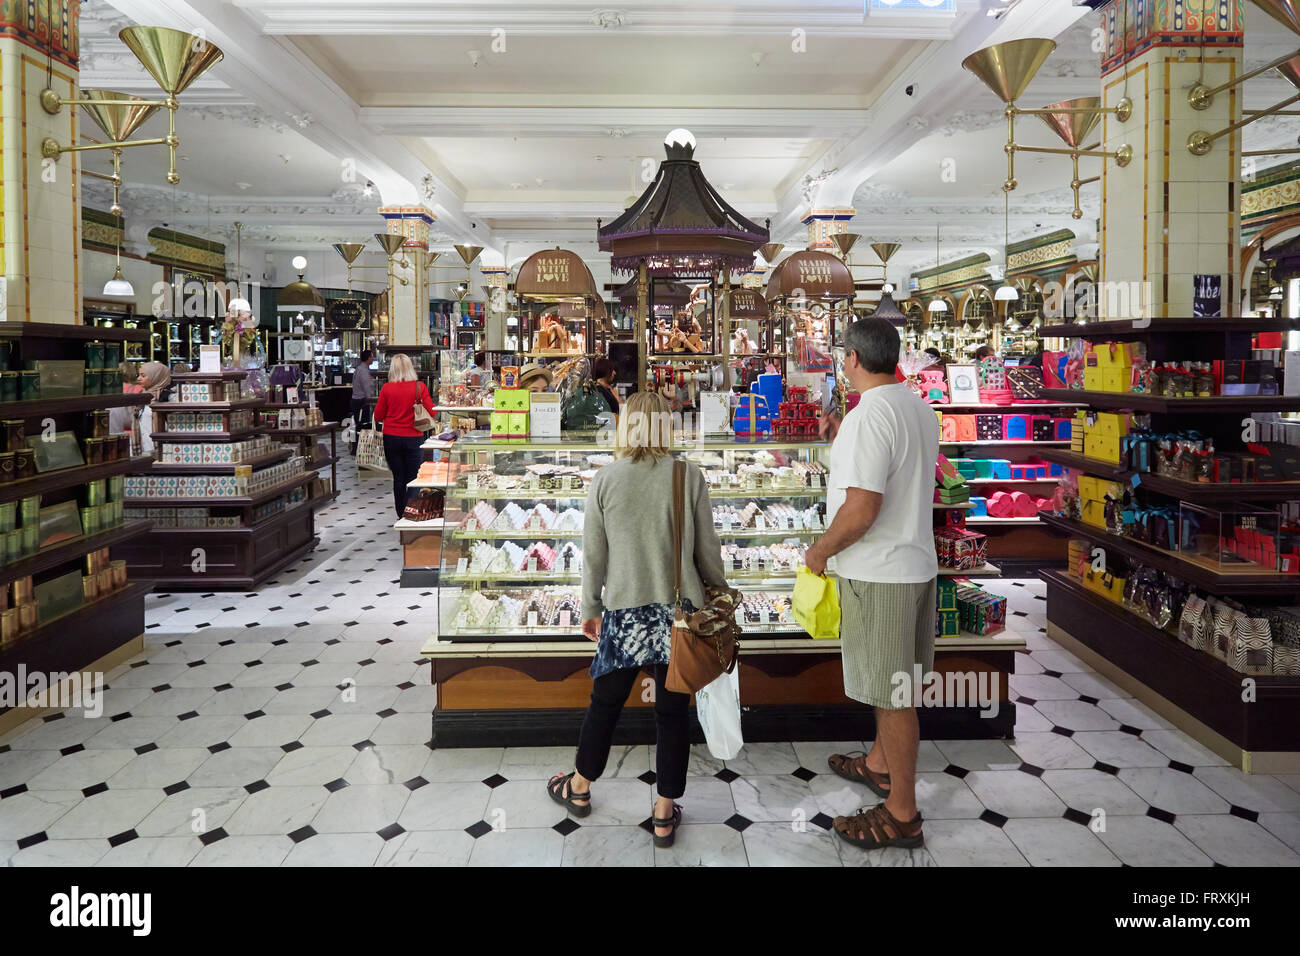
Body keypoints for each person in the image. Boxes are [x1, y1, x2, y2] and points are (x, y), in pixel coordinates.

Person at [547, 391, 728, 849]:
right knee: (672, 713)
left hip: (624, 611)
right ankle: (664, 813)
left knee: (604, 703)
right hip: (680, 616)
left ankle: (581, 787)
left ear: (626, 426)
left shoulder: (606, 479)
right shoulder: (688, 477)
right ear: (666, 426)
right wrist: (719, 594)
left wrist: (590, 608)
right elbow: (708, 552)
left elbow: (594, 556)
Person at [803, 317, 938, 853]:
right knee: (897, 684)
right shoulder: (917, 408)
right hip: (915, 565)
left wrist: (818, 551)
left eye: (843, 355)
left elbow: (861, 510)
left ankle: (902, 812)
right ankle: (880, 764)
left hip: (880, 573)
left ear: (853, 359)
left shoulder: (868, 417)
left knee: (893, 695)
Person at [373, 353, 436, 519]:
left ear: (392, 369)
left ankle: (401, 514)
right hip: (414, 437)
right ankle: (411, 511)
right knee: (414, 478)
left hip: (391, 438)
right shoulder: (419, 387)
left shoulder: (387, 388)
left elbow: (378, 415)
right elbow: (432, 411)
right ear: (410, 368)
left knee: (398, 478)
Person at [109, 361, 173, 455]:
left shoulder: (167, 398)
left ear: (155, 376)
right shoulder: (142, 396)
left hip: (161, 452)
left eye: (143, 376)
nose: (138, 379)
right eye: (138, 375)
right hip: (142, 451)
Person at [349, 349, 375, 455]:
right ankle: (360, 448)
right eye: (372, 356)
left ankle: (357, 448)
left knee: (358, 425)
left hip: (356, 400)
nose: (373, 358)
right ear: (368, 358)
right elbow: (367, 387)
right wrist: (371, 400)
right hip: (361, 401)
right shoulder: (363, 371)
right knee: (362, 426)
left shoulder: (359, 369)